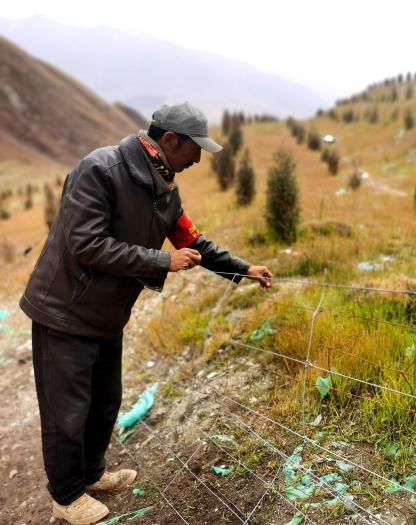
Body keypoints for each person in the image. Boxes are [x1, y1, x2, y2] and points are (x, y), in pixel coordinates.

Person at [20, 102, 273, 524]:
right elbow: (86, 243)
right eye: (194, 149)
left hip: (105, 315)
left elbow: (195, 242)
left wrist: (244, 269)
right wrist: (161, 263)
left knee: (104, 402)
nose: (197, 160)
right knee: (67, 411)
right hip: (63, 311)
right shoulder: (100, 169)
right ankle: (65, 498)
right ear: (169, 140)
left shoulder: (165, 188)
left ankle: (91, 475)